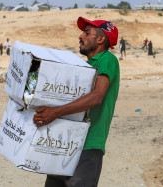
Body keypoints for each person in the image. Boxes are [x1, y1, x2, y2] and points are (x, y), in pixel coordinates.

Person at [33, 17, 120, 187]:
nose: (81, 36)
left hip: (88, 146)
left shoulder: (107, 60)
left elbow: (97, 97)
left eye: (87, 33)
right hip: (64, 143)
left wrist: (55, 112)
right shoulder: (83, 66)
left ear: (101, 39)